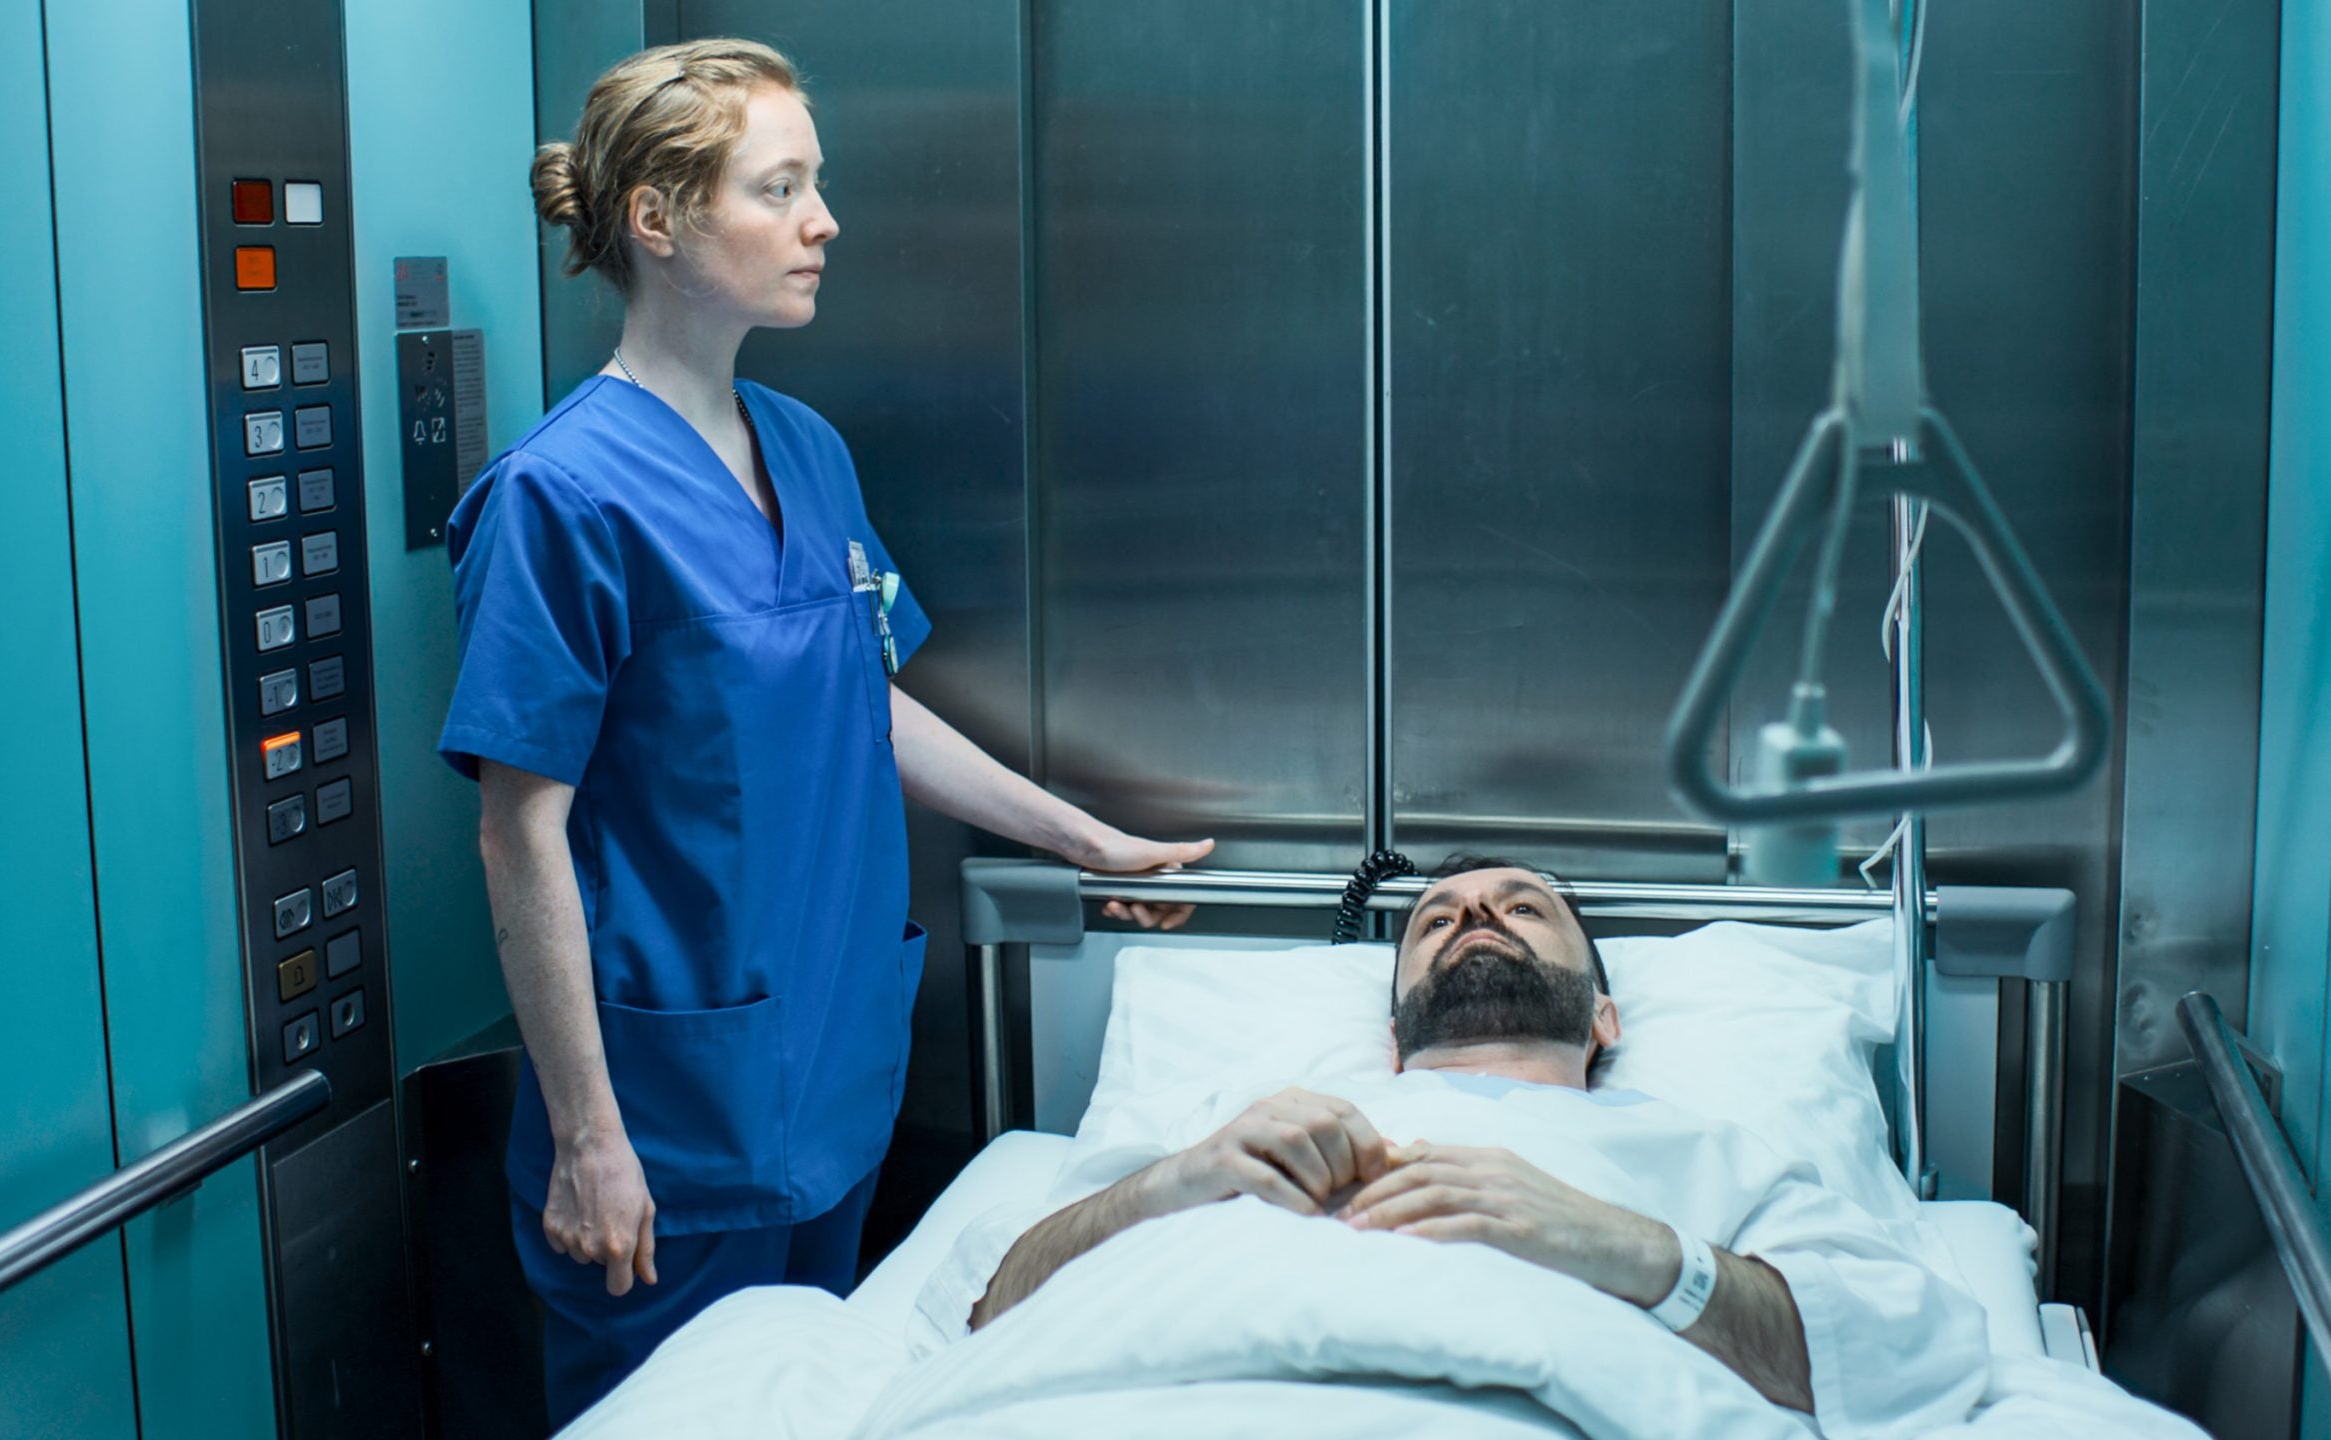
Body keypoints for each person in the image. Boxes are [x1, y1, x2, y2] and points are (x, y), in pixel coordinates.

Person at [437, 39, 1209, 1424]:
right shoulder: (561, 500)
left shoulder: (805, 447)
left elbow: (868, 697)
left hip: (834, 1088)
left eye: (819, 183)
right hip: (671, 1130)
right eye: (779, 187)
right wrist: (588, 1137)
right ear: (657, 222)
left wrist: (1080, 832)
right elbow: (519, 828)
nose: (824, 221)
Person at [944, 857, 1988, 1430]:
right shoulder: (1223, 1117)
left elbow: (1900, 1352)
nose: (1475, 914)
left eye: (1520, 906)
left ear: (1605, 1022)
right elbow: (984, 1306)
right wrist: (1166, 1188)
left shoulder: (1703, 1152)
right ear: (1391, 1035)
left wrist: (1629, 1252)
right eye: (1435, 919)